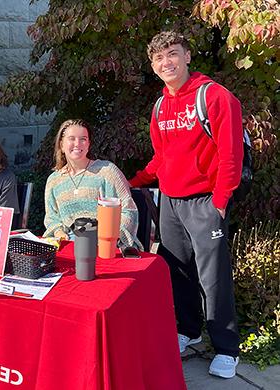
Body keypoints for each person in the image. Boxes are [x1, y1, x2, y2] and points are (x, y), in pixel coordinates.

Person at [128, 31, 243, 378]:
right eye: (160, 58)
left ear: (187, 56)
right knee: (177, 272)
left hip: (206, 202)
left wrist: (220, 202)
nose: (167, 63)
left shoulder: (215, 96)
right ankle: (190, 331)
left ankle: (226, 348)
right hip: (171, 204)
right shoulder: (161, 105)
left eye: (173, 54)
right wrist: (131, 181)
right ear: (153, 65)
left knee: (213, 279)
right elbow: (161, 158)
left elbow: (231, 155)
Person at [43, 119, 141, 249]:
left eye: (83, 139)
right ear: (61, 144)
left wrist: (109, 236)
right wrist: (58, 232)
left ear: (88, 144)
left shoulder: (107, 171)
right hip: (69, 244)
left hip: (107, 245)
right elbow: (52, 218)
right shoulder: (54, 180)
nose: (77, 144)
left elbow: (128, 210)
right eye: (71, 138)